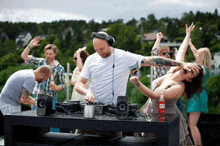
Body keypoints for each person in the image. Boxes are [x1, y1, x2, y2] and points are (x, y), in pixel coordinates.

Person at [74, 31, 200, 138]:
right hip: (91, 111)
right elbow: (79, 84)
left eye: (102, 49)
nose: (100, 52)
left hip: (113, 114)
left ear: (110, 43)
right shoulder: (91, 59)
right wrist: (87, 92)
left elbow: (152, 60)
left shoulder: (124, 56)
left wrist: (180, 64)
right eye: (97, 50)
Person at [0, 65, 51, 136]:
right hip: (9, 103)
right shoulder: (31, 79)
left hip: (7, 101)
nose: (44, 81)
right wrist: (38, 104)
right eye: (45, 79)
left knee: (16, 130)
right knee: (14, 132)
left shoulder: (28, 73)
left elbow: (25, 95)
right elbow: (24, 100)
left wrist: (35, 101)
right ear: (42, 75)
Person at [21, 36, 66, 110]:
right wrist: (30, 46)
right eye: (46, 54)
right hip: (38, 98)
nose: (48, 56)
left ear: (56, 53)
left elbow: (65, 84)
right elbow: (24, 56)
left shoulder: (60, 68)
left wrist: (57, 87)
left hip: (52, 100)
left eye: (50, 54)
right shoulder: (41, 62)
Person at [187, 39, 211, 146]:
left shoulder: (202, 68)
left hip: (198, 96)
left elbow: (195, 53)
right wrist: (190, 42)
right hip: (200, 95)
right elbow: (195, 52)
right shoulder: (205, 68)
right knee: (192, 124)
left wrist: (188, 41)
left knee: (192, 125)